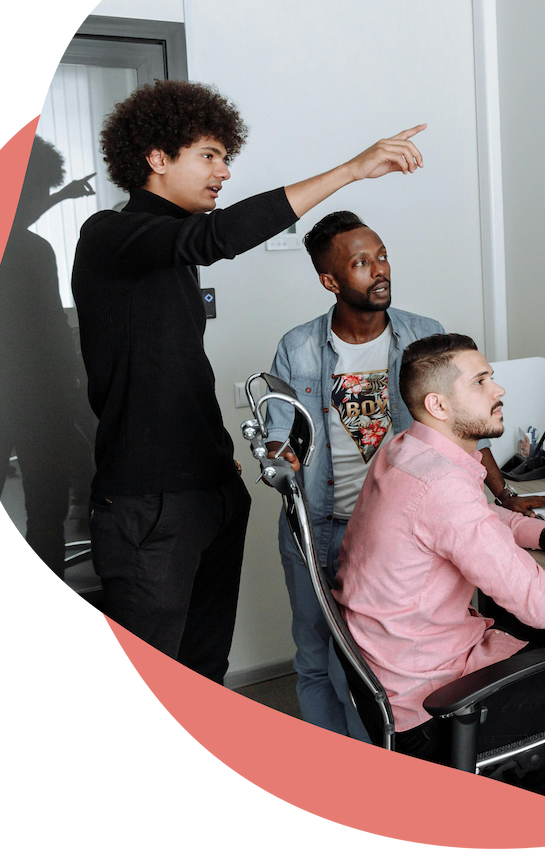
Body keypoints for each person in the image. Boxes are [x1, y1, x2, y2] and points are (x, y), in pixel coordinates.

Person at [72, 77, 425, 684]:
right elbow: (217, 239)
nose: (224, 171)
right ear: (157, 158)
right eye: (209, 155)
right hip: (148, 505)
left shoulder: (170, 257)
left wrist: (216, 458)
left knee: (203, 673)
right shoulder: (110, 235)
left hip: (209, 492)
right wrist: (351, 170)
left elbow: (174, 370)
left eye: (225, 157)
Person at [265, 210, 545, 738]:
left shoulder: (423, 334)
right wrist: (280, 452)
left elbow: (462, 431)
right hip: (318, 528)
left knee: (387, 673)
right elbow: (279, 430)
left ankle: (381, 766)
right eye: (361, 263)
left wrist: (503, 496)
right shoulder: (297, 347)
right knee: (318, 660)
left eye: (382, 255)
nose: (380, 269)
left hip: (398, 536)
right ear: (330, 281)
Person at [335, 334, 545, 805]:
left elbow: (476, 515)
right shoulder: (441, 484)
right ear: (438, 404)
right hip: (435, 710)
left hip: (400, 677)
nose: (499, 390)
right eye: (480, 381)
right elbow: (540, 605)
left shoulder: (406, 451)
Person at [0, 136, 98, 598]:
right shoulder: (33, 251)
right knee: (46, 508)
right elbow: (51, 327)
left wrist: (60, 196)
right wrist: (76, 386)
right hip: (38, 396)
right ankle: (46, 594)